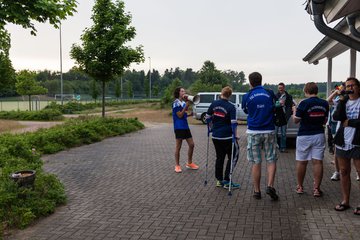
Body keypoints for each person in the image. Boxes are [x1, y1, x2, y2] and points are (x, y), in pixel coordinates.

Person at [242, 72, 279, 200]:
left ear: (250, 82)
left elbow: (246, 110)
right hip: (269, 130)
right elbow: (275, 107)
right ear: (261, 80)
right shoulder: (269, 93)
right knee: (271, 159)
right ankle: (270, 185)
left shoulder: (247, 96)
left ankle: (257, 191)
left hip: (253, 131)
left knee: (256, 162)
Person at [293, 82, 329, 197]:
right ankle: (317, 189)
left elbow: (296, 120)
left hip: (304, 135)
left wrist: (294, 111)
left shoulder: (304, 103)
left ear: (306, 91)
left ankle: (300, 187)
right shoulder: (324, 103)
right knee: (317, 162)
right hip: (319, 134)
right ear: (316, 91)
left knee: (302, 162)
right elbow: (324, 121)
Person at [332, 77, 360, 215]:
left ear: (358, 87)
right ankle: (345, 201)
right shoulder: (344, 101)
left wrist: (351, 122)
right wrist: (342, 100)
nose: (350, 88)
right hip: (343, 140)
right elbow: (337, 117)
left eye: (352, 85)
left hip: (358, 141)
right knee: (343, 171)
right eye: (347, 86)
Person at [205, 86, 240, 189]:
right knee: (233, 156)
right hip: (227, 137)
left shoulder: (214, 104)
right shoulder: (231, 107)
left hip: (216, 136)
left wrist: (211, 128)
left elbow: (207, 117)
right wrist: (236, 135)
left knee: (219, 158)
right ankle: (227, 180)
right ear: (230, 95)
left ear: (222, 93)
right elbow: (233, 123)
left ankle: (219, 180)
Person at [172, 87, 199, 173]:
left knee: (192, 145)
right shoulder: (175, 103)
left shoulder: (183, 102)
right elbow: (179, 115)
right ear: (178, 93)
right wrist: (186, 106)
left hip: (185, 127)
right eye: (182, 91)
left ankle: (189, 163)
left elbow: (183, 115)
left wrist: (190, 114)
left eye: (184, 91)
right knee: (178, 147)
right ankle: (177, 165)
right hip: (178, 127)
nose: (184, 92)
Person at [274, 83, 294, 153]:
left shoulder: (288, 96)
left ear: (284, 88)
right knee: (275, 133)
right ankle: (275, 147)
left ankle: (283, 148)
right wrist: (277, 105)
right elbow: (273, 106)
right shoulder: (275, 96)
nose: (280, 89)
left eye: (281, 88)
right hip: (277, 117)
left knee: (283, 134)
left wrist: (288, 115)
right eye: (279, 88)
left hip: (284, 117)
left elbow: (291, 106)